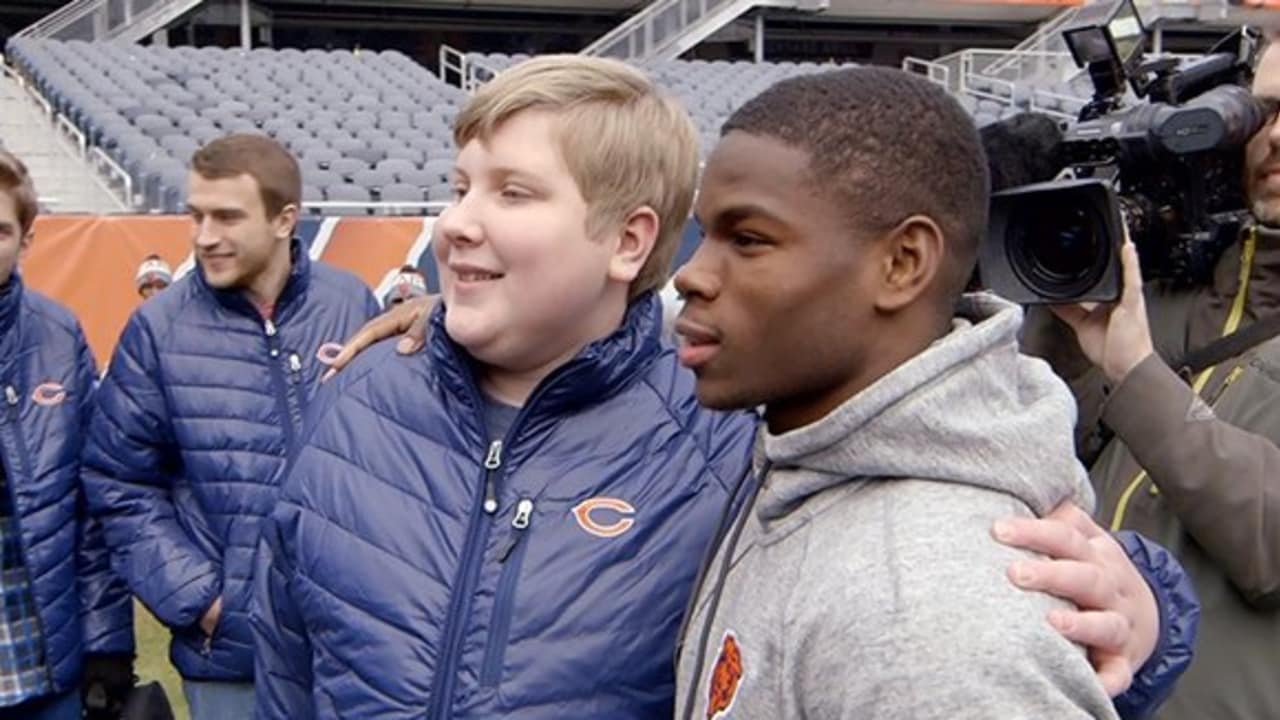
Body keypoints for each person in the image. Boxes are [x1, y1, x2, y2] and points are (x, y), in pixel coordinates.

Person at [311, 56, 1199, 719]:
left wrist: (1146, 609)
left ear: (627, 241)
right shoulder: (364, 395)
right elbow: (292, 659)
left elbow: (992, 567)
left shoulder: (720, 429)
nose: (458, 222)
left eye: (511, 193)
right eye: (459, 187)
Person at [1021, 36, 1280, 720]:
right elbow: (1047, 465)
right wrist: (1063, 315)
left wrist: (1135, 372)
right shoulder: (1172, 283)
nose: (1277, 138)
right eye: (1265, 112)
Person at [80, 134, 380, 720]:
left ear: (283, 220)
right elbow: (117, 482)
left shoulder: (351, 303)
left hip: (354, 648)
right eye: (196, 215)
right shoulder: (157, 329)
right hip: (231, 659)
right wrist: (206, 601)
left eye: (226, 217)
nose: (203, 236)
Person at [0, 151, 134, 720]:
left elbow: (92, 498)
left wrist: (106, 640)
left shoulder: (58, 336)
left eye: (1, 230)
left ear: (26, 241)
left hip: (40, 655)